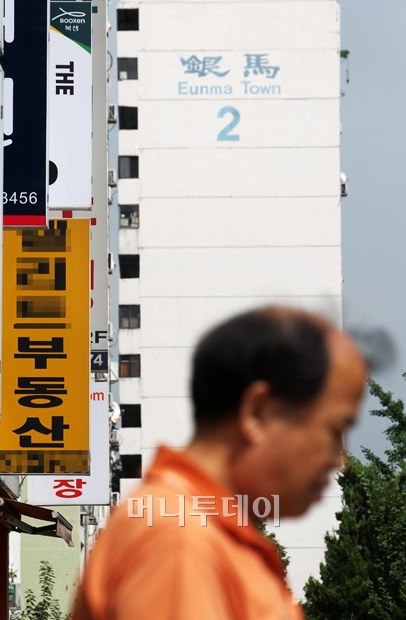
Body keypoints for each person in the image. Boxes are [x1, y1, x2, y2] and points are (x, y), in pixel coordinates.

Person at [72, 306, 366, 620]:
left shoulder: (197, 531)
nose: (340, 460)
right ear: (259, 413)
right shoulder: (179, 541)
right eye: (335, 430)